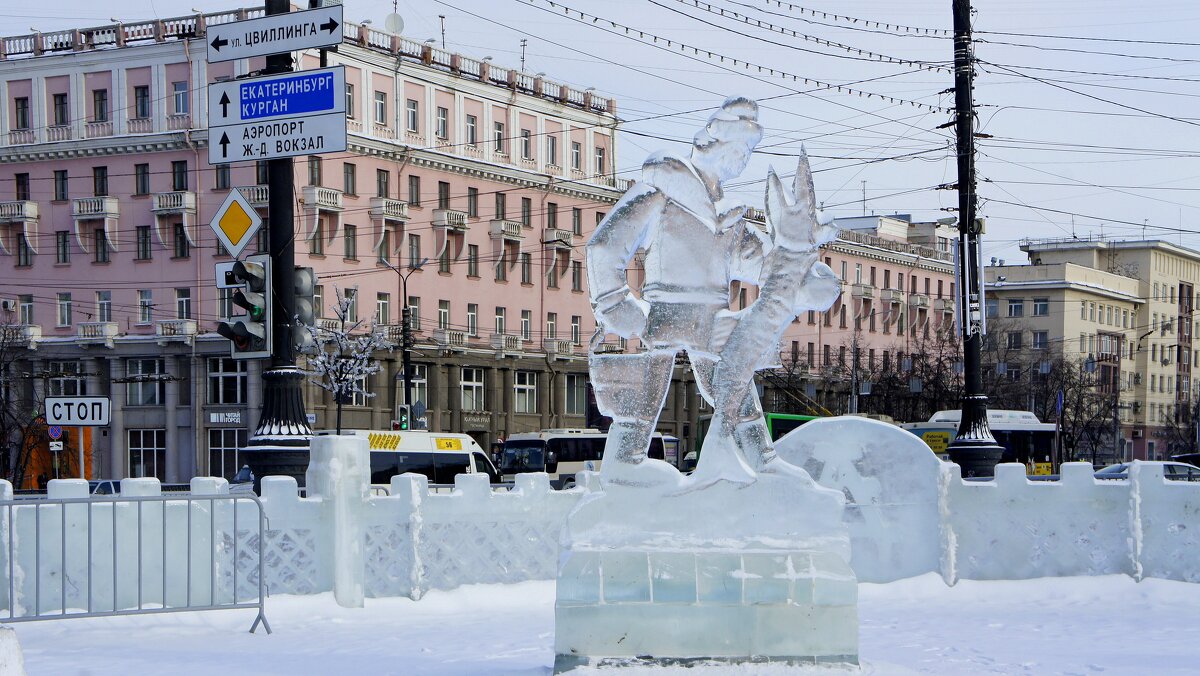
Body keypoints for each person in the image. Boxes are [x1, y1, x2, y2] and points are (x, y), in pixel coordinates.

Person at [587, 96, 772, 487]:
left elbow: (762, 263)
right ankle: (624, 467)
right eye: (741, 149)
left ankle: (765, 465)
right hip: (664, 312)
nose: (743, 160)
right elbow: (605, 245)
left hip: (713, 320)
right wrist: (614, 303)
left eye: (749, 151)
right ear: (715, 141)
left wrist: (796, 265)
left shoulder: (730, 213)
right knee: (641, 397)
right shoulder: (663, 189)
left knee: (736, 391)